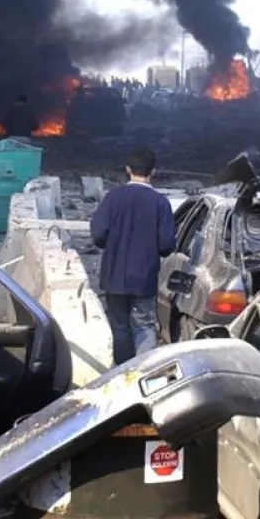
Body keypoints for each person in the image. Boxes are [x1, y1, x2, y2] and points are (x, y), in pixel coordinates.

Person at [90, 147, 177, 364]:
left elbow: (98, 235)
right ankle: (144, 370)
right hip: (144, 279)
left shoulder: (113, 198)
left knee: (119, 327)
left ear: (128, 170)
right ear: (153, 172)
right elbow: (167, 245)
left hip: (114, 276)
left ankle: (122, 370)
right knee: (145, 326)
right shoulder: (160, 203)